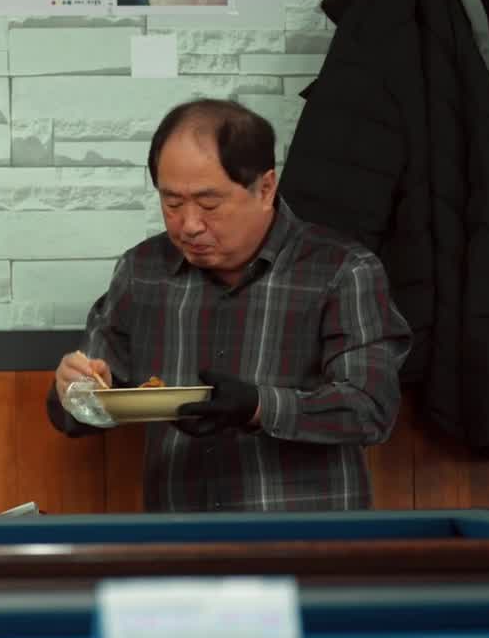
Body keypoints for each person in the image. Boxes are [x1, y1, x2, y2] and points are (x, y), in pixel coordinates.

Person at [46, 99, 411, 511]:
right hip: (179, 534)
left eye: (209, 204)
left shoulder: (343, 270)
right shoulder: (141, 271)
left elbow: (370, 408)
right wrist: (74, 389)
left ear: (265, 189)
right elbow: (76, 412)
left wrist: (258, 406)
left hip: (305, 537)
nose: (189, 225)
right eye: (172, 203)